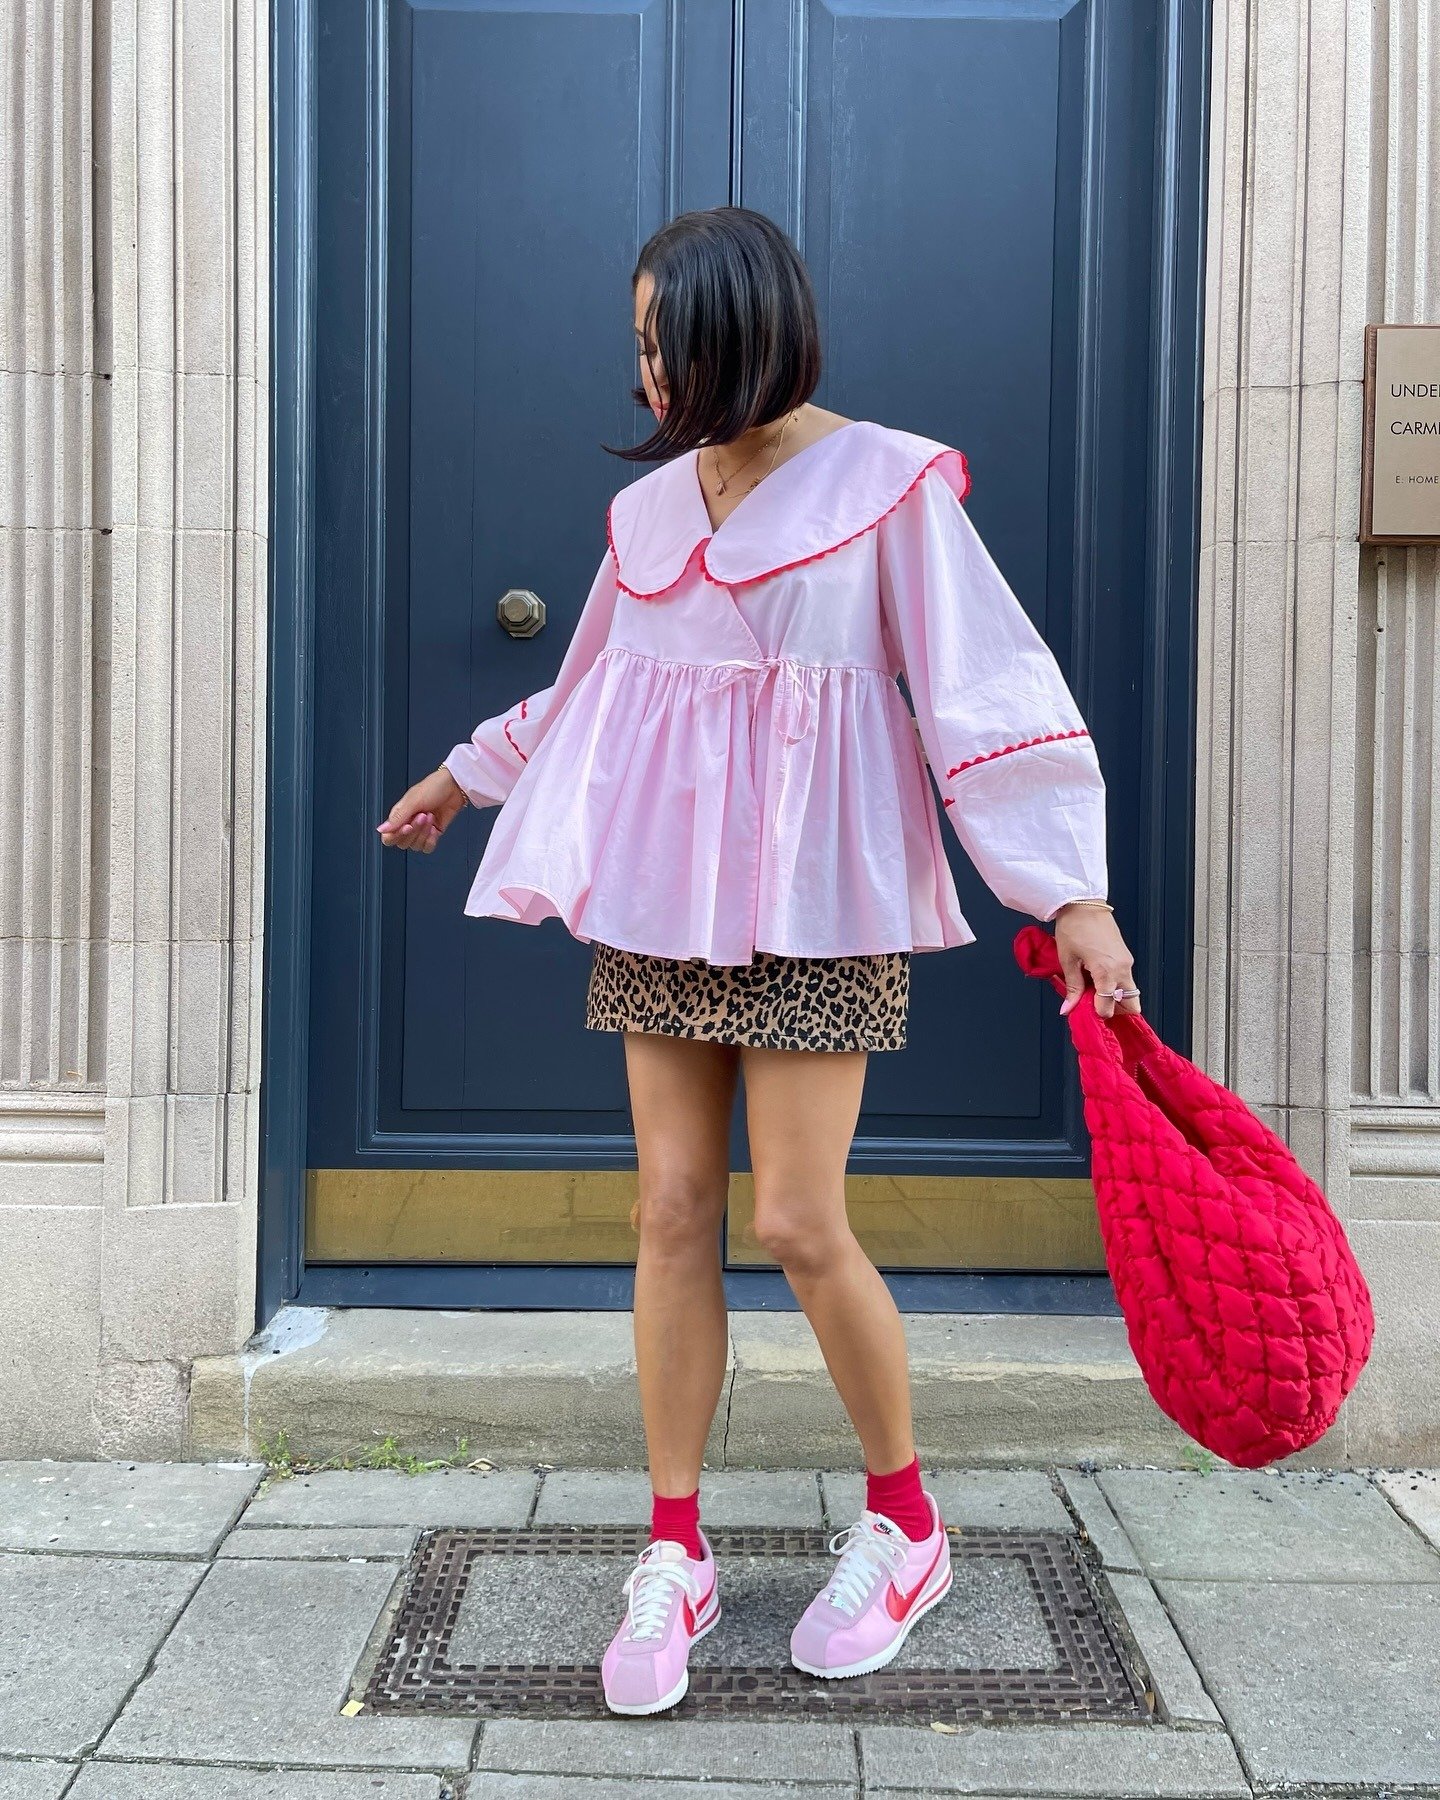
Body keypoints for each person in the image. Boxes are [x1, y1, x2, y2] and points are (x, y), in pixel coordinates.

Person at [379, 205, 1141, 1717]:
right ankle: (676, 1549)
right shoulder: (654, 513)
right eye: (639, 342)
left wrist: (1069, 892)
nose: (644, 370)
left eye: (663, 341)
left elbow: (987, 687)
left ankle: (906, 1524)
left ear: (744, 329)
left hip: (822, 899)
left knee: (796, 1218)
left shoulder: (890, 484)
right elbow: (600, 692)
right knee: (670, 1210)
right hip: (661, 901)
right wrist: (470, 774)